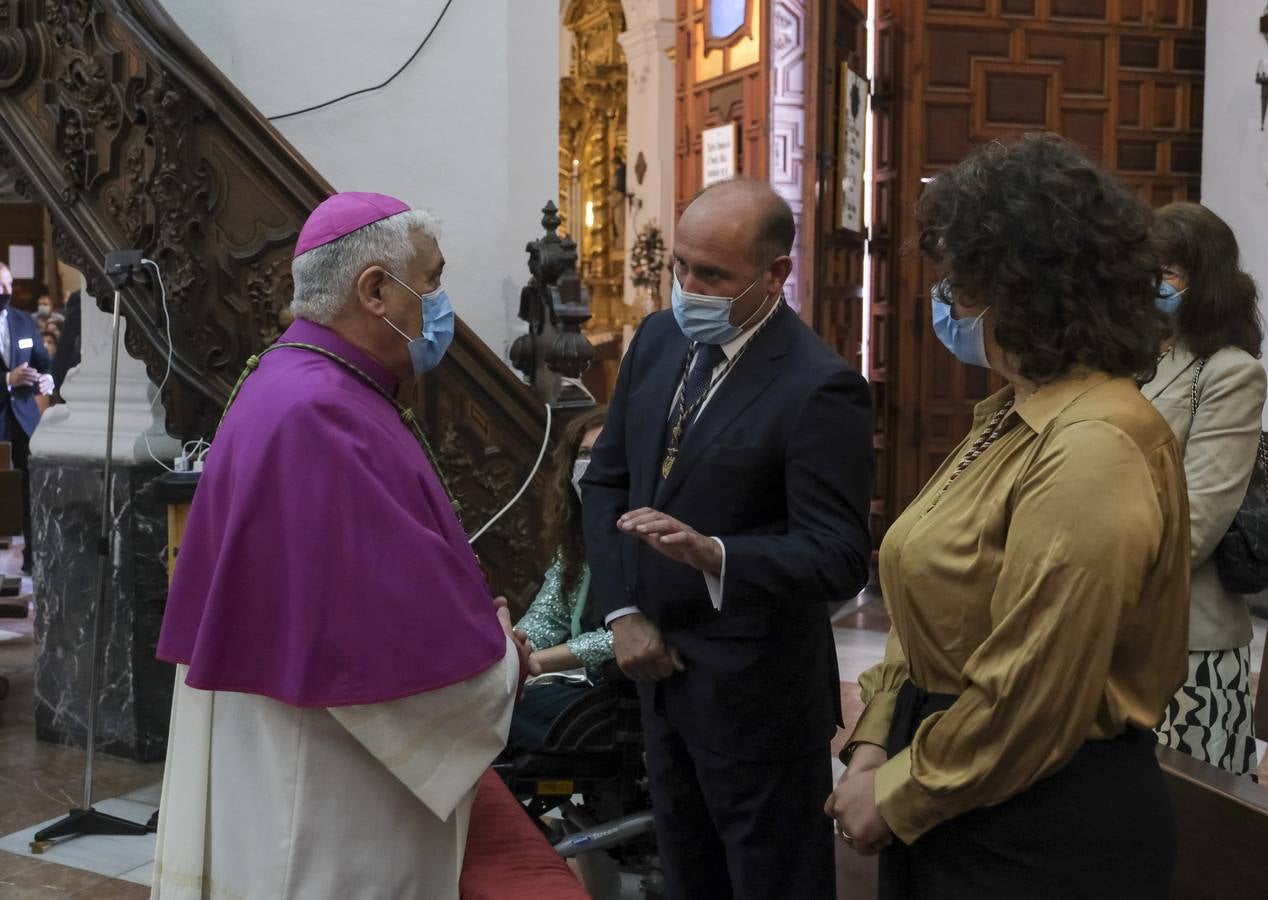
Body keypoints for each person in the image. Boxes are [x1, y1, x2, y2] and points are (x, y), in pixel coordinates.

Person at [829, 134, 1190, 898]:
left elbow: (1035, 692)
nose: (951, 306)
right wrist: (872, 746)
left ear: (1027, 291)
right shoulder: (1010, 414)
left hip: (1042, 826)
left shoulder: (1094, 442)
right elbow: (925, 614)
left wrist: (895, 792)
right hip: (959, 786)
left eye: (964, 286)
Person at [153, 192, 536, 900]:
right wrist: (498, 662)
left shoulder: (303, 382)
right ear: (375, 290)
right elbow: (371, 633)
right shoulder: (320, 413)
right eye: (433, 279)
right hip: (326, 781)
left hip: (293, 749)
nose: (440, 301)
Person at [582, 178, 874, 900]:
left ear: (775, 274)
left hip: (758, 702)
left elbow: (839, 555)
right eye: (680, 265)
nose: (688, 287)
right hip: (655, 676)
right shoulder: (657, 339)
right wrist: (622, 613)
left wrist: (717, 555)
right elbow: (607, 483)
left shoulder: (819, 386)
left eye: (712, 274)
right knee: (687, 878)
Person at [1143, 202, 1267, 778]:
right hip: (1118, 626)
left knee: (1196, 829)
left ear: (1206, 279)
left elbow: (1198, 519)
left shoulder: (1228, 370)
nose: (1154, 284)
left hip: (1188, 640)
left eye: (1169, 271)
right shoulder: (1137, 360)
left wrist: (1098, 572)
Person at [510, 406, 614, 752]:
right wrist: (516, 649)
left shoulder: (647, 535)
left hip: (619, 692)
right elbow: (547, 616)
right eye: (583, 454)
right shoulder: (578, 541)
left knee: (490, 713)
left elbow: (625, 637)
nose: (588, 464)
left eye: (602, 453)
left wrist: (537, 662)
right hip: (575, 685)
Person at [0, 263, 54, 575]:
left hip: (24, 420)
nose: (6, 292)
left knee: (29, 490)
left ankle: (32, 559)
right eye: (0, 286)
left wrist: (48, 380)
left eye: (9, 285)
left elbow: (43, 361)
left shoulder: (23, 321)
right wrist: (8, 377)